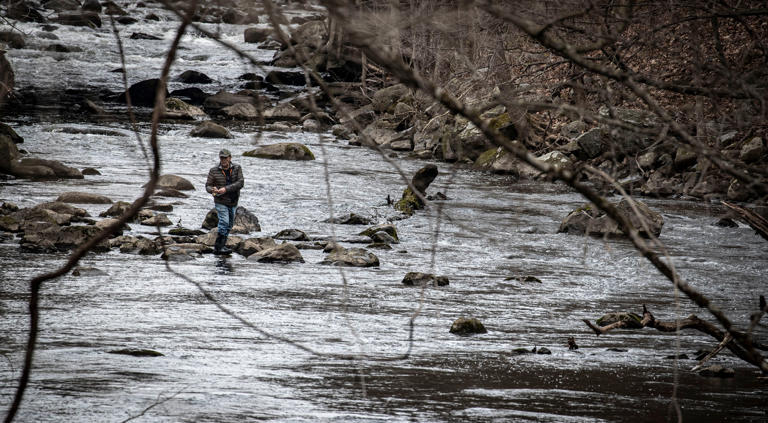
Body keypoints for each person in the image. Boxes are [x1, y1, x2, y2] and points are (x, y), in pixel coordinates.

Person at [205, 148, 244, 255]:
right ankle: (218, 247)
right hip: (220, 200)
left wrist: (225, 189)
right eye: (222, 158)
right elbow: (207, 185)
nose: (223, 160)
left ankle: (223, 246)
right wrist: (212, 190)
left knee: (230, 225)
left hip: (233, 201)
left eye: (225, 158)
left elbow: (240, 183)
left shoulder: (237, 168)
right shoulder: (213, 170)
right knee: (224, 222)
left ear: (230, 158)